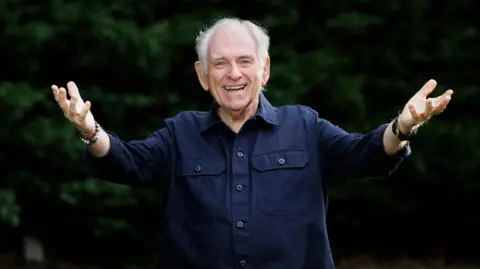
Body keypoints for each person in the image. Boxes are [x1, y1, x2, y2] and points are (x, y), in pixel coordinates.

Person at [51, 17, 453, 269]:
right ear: (202, 75)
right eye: (220, 63)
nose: (233, 74)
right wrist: (90, 130)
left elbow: (364, 154)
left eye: (245, 61)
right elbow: (125, 161)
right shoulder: (180, 133)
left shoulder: (305, 125)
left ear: (265, 69)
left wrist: (401, 128)